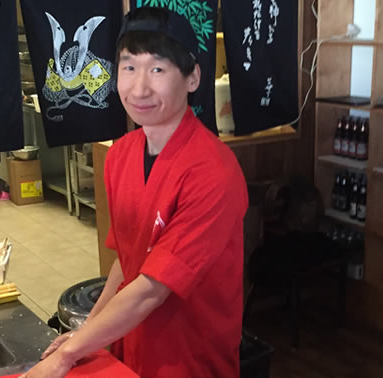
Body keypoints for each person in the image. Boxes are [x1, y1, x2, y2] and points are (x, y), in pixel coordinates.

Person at [21, 7, 248, 378]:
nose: (139, 87)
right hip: (129, 351)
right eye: (129, 67)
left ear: (192, 78)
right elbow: (126, 265)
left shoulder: (214, 172)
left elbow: (151, 288)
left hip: (189, 361)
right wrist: (85, 335)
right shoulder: (121, 154)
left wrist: (67, 355)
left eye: (158, 69)